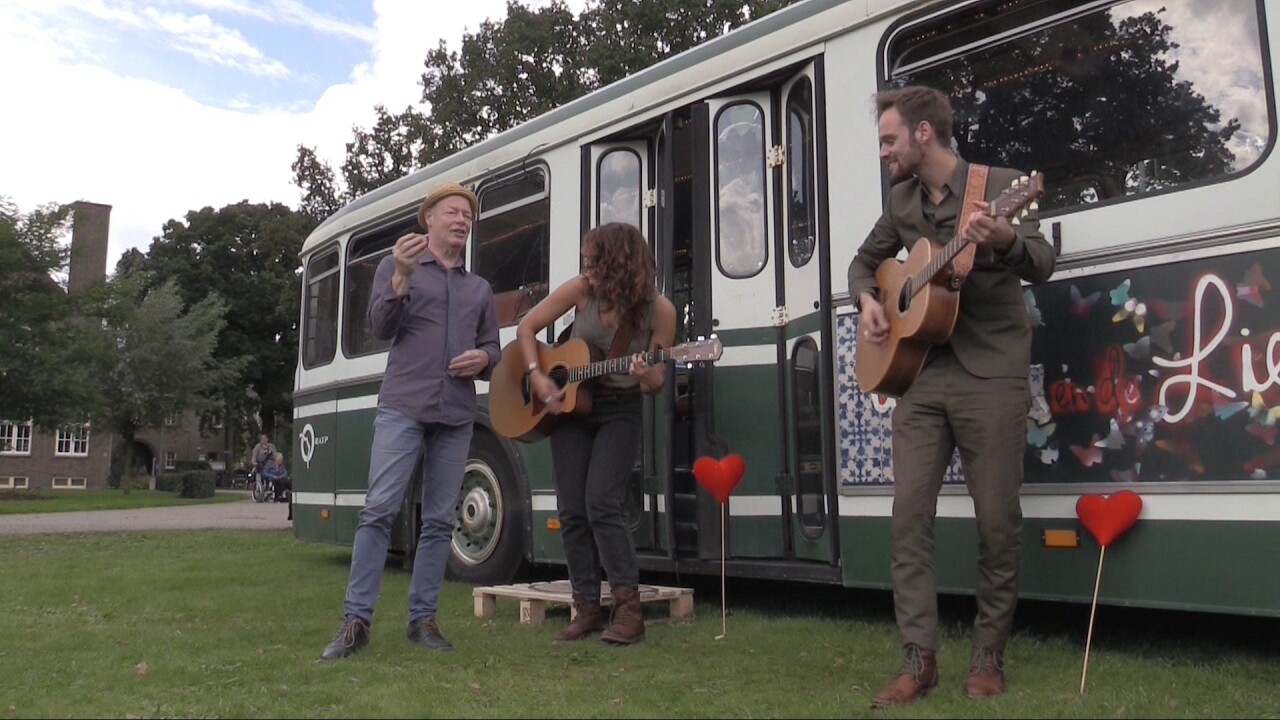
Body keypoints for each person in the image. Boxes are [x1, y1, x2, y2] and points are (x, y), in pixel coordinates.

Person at [846, 86, 1055, 705]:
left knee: (997, 521)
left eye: (889, 141)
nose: (883, 153)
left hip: (991, 372)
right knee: (908, 517)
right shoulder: (901, 201)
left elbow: (1042, 261)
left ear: (924, 135)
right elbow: (863, 264)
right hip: (921, 375)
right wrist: (868, 304)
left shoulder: (1002, 186)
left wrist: (1002, 241)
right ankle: (919, 660)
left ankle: (988, 657)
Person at [320, 181, 501, 661]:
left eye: (467, 214)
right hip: (402, 406)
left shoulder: (478, 289)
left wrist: (482, 360)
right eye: (453, 212)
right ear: (430, 219)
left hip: (457, 413)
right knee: (379, 511)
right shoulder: (394, 266)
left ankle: (423, 621)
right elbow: (380, 327)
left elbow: (495, 351)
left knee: (440, 521)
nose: (462, 220)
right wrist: (400, 277)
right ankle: (355, 623)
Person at [515, 222, 676, 646]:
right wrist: (537, 376)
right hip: (571, 410)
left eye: (594, 259)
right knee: (572, 509)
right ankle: (585, 608)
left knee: (602, 501)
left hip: (619, 410)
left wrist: (647, 375)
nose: (587, 266)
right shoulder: (583, 291)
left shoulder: (660, 311)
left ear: (618, 264)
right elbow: (527, 328)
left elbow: (656, 382)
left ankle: (628, 611)